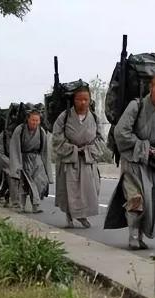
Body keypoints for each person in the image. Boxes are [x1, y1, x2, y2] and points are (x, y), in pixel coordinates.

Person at [104, 73, 155, 250]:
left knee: (149, 201)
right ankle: (132, 236)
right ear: (150, 88)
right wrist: (143, 147)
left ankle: (139, 236)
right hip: (133, 161)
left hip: (153, 164)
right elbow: (121, 132)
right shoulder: (136, 106)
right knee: (136, 200)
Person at [52, 85, 104, 228]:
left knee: (90, 189)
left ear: (89, 100)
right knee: (70, 190)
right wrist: (73, 149)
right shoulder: (65, 116)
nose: (82, 103)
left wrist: (88, 150)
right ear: (73, 100)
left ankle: (83, 216)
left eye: (85, 99)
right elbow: (57, 138)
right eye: (79, 99)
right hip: (70, 159)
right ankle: (69, 216)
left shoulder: (94, 117)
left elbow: (100, 138)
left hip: (87, 159)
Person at [9, 110, 52, 213]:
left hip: (36, 159)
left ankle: (35, 205)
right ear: (28, 119)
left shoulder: (41, 131)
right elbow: (14, 147)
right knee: (24, 183)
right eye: (33, 120)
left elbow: (45, 150)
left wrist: (47, 169)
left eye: (37, 120)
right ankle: (23, 205)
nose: (35, 122)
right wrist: (16, 165)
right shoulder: (20, 130)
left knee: (38, 182)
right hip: (23, 157)